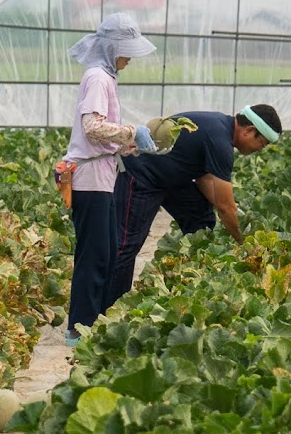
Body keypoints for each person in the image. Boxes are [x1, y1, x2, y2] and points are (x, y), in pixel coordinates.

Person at [107, 104, 281, 306]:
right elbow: (225, 207)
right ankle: (109, 307)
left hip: (173, 178)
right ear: (249, 130)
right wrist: (246, 245)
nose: (260, 149)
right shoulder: (221, 142)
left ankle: (195, 280)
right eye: (262, 143)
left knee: (201, 219)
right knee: (126, 245)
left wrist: (231, 210)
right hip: (143, 175)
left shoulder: (219, 126)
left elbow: (204, 180)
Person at [61, 12, 160, 346]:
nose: (129, 59)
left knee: (104, 253)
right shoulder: (98, 78)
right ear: (111, 48)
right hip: (88, 181)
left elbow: (100, 134)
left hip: (100, 176)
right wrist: (133, 130)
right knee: (94, 255)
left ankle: (93, 322)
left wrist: (130, 145)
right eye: (126, 51)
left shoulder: (104, 76)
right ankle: (79, 327)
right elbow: (93, 126)